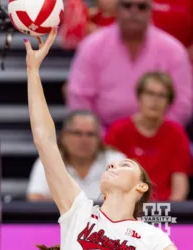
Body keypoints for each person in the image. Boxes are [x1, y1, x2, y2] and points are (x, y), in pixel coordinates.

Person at [23, 27, 176, 249]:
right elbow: (44, 140)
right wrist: (33, 71)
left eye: (125, 164)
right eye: (114, 163)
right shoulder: (78, 211)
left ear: (141, 187)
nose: (112, 163)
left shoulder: (154, 239)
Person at [66, 0, 193, 128]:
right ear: (117, 10)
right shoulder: (92, 47)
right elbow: (79, 97)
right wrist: (100, 138)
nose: (134, 11)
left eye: (141, 7)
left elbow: (183, 103)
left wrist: (159, 134)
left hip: (160, 137)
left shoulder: (174, 51)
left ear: (151, 11)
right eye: (127, 5)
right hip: (101, 138)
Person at [105, 71, 192, 201]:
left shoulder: (176, 133)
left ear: (169, 102)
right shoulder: (118, 130)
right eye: (150, 93)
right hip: (125, 207)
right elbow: (109, 179)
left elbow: (180, 185)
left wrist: (172, 212)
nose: (155, 101)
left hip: (165, 210)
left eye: (162, 95)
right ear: (139, 96)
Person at [27, 110, 125, 201]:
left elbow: (128, 198)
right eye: (77, 133)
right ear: (64, 136)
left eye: (90, 134)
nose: (84, 140)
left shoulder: (116, 161)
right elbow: (35, 199)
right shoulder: (48, 161)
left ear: (99, 139)